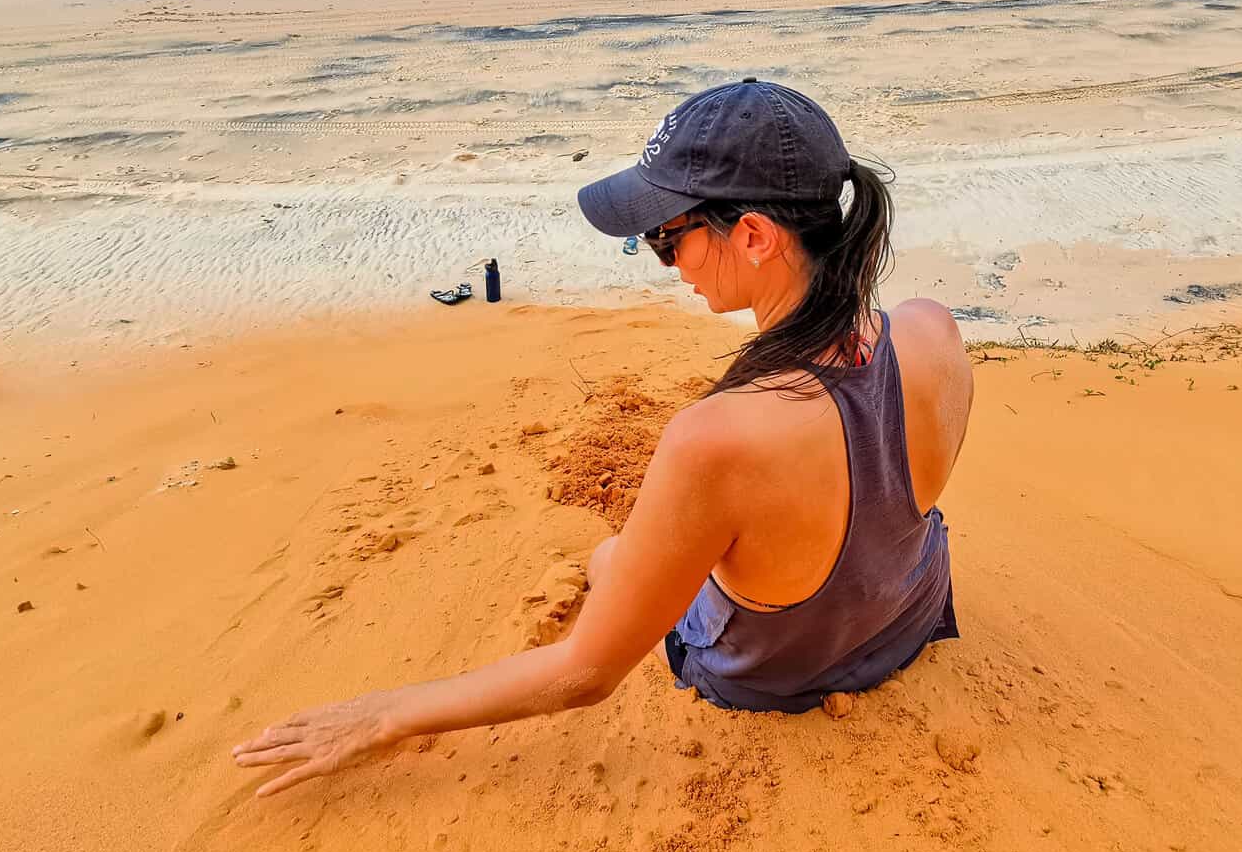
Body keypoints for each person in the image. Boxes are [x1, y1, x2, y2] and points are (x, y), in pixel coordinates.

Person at [233, 80, 974, 797]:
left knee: (610, 556)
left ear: (752, 235)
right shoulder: (931, 330)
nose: (665, 262)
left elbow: (584, 676)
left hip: (776, 672)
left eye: (666, 237)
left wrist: (381, 715)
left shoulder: (717, 438)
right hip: (905, 617)